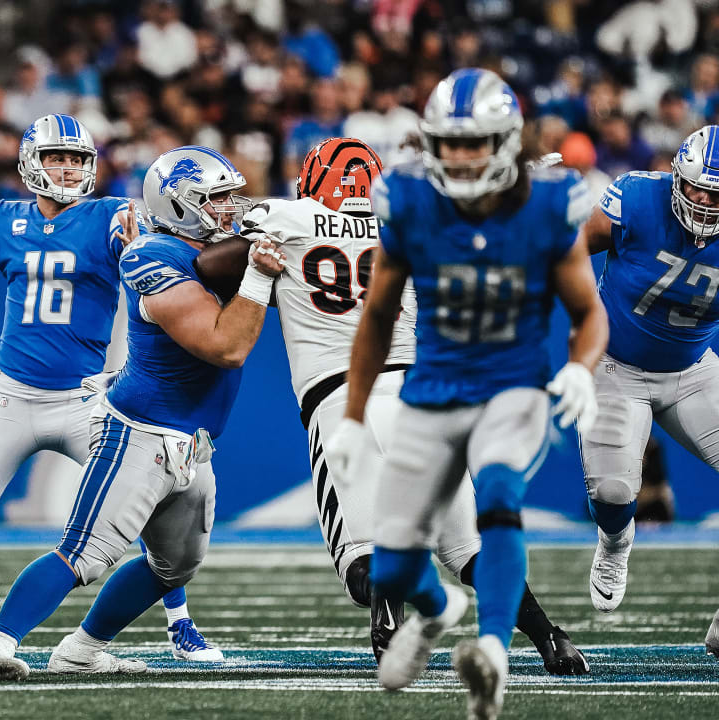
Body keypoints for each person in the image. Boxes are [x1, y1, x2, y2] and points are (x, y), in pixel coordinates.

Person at [197, 137, 588, 674]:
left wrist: (260, 256)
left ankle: (386, 608)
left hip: (341, 399)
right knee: (469, 547)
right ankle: (552, 639)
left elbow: (209, 263)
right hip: (416, 397)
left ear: (314, 181)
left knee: (361, 557)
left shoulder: (285, 217)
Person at [0, 115, 220, 662]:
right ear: (31, 163)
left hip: (84, 400)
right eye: (58, 157)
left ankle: (179, 620)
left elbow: (157, 244)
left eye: (78, 159)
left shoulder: (109, 217)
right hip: (12, 396)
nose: (68, 168)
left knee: (155, 502)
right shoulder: (5, 221)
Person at [324, 69, 607, 719]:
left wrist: (581, 369)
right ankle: (435, 614)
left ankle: (494, 652)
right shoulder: (407, 197)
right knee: (391, 567)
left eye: (473, 142)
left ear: (505, 140)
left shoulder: (548, 201)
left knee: (501, 499)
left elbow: (589, 313)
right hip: (432, 387)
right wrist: (352, 414)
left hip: (513, 384)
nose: (459, 156)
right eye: (448, 143)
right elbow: (376, 315)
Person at [0, 145, 282, 680]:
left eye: (229, 197)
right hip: (139, 434)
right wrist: (261, 278)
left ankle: (81, 649)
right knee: (83, 554)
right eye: (215, 198)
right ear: (178, 205)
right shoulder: (148, 256)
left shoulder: (213, 252)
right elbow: (227, 347)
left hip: (193, 444)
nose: (229, 208)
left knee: (175, 566)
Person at [577, 126, 719, 615]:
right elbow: (574, 249)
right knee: (614, 493)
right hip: (615, 367)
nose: (701, 200)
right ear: (676, 177)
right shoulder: (638, 196)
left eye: (714, 193)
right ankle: (615, 544)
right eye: (696, 186)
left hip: (693, 370)